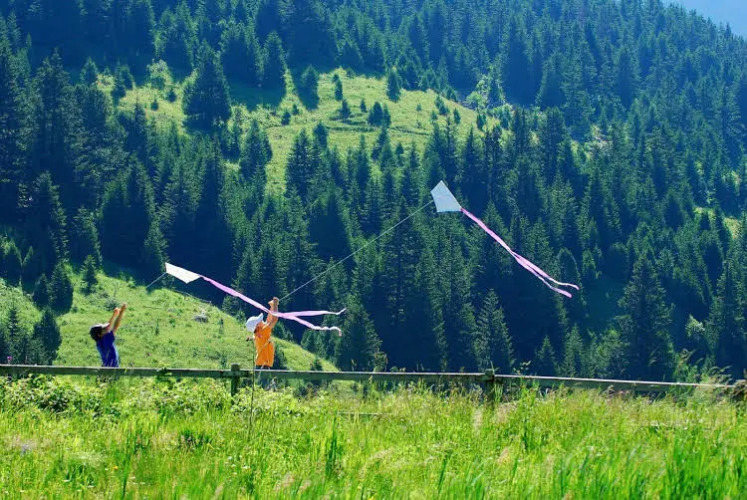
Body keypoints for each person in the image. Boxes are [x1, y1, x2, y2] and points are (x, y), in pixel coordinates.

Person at [246, 297, 279, 370]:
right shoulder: (263, 332)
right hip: (263, 366)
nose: (262, 321)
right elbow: (274, 320)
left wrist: (272, 307)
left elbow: (268, 321)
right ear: (257, 326)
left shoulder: (259, 332)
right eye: (259, 321)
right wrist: (275, 305)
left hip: (261, 365)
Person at [90, 303, 127, 367]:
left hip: (106, 368)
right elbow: (115, 326)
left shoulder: (99, 342)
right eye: (104, 329)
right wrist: (121, 312)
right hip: (112, 369)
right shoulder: (106, 339)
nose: (107, 328)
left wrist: (114, 316)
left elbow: (108, 327)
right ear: (99, 334)